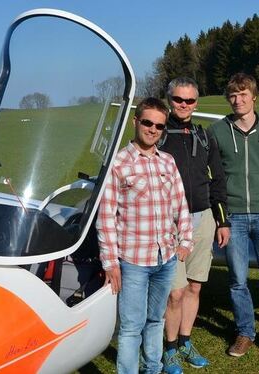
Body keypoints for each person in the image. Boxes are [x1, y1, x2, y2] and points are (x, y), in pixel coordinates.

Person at [96, 97, 193, 374]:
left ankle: (153, 367)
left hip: (166, 257)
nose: (153, 129)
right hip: (133, 260)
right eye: (148, 122)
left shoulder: (168, 162)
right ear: (135, 121)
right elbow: (106, 217)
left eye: (159, 126)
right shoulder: (118, 163)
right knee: (130, 327)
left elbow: (180, 204)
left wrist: (185, 241)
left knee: (156, 320)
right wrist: (110, 262)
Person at [209, 73, 259, 357]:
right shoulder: (217, 131)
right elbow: (214, 178)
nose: (238, 100)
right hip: (234, 218)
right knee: (237, 280)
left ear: (254, 96)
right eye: (233, 95)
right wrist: (221, 218)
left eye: (243, 94)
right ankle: (245, 331)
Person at [159, 77, 231, 373]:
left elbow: (219, 181)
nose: (184, 105)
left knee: (194, 287)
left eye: (189, 101)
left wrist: (222, 222)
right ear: (169, 100)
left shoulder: (204, 136)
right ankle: (170, 348)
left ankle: (186, 340)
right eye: (178, 100)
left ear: (196, 103)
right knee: (174, 292)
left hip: (203, 219)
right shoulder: (159, 134)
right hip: (169, 223)